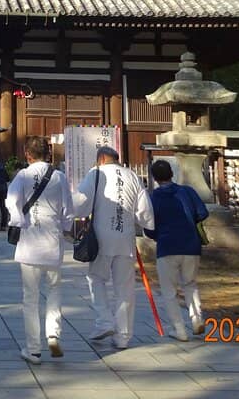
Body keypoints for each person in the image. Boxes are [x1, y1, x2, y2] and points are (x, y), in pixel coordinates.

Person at [76, 145, 154, 350]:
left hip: (101, 238)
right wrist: (147, 226)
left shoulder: (96, 174)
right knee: (125, 288)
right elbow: (145, 212)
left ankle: (104, 320)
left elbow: (81, 204)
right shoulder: (132, 176)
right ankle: (123, 335)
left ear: (101, 158)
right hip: (125, 239)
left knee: (96, 278)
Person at [6, 138, 75, 364]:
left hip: (29, 244)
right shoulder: (59, 177)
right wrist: (65, 229)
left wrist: (18, 222)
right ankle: (53, 333)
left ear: (27, 154)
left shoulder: (23, 176)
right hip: (53, 243)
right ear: (48, 153)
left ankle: (33, 349)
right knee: (54, 290)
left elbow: (11, 201)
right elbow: (68, 211)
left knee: (30, 298)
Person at [143, 159, 209, 341]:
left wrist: (156, 235)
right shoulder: (186, 191)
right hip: (191, 244)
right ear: (172, 173)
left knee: (169, 290)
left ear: (154, 177)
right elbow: (203, 212)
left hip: (167, 246)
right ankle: (197, 319)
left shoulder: (153, 197)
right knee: (190, 284)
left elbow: (148, 227)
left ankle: (179, 329)